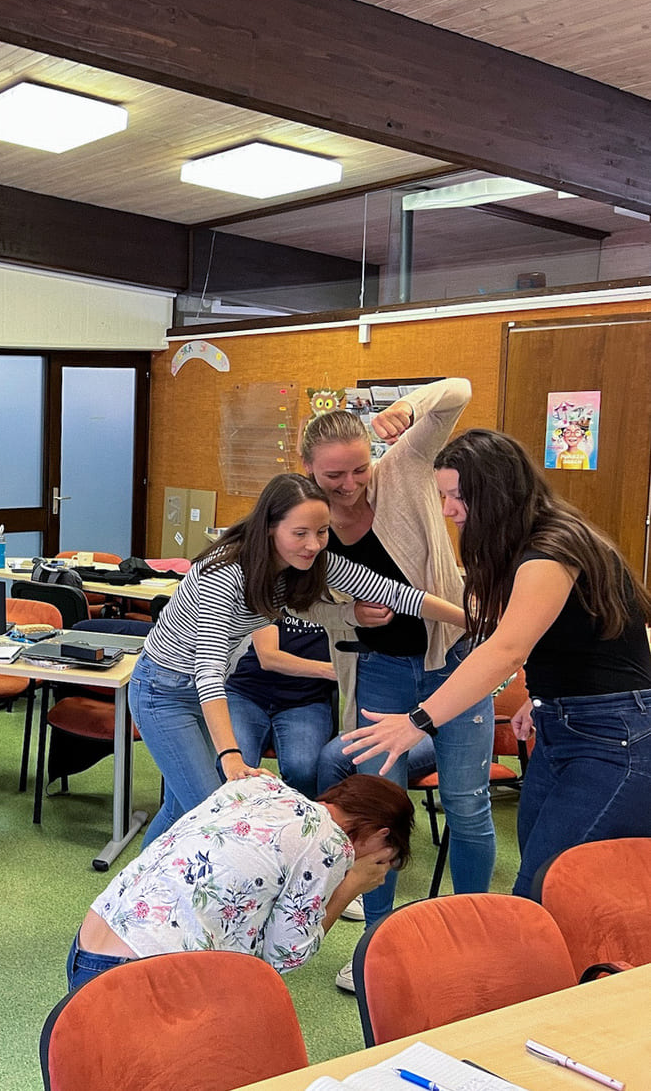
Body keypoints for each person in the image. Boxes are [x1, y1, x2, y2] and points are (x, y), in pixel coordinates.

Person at [345, 429, 651, 896]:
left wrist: (418, 721)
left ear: (496, 494)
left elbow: (505, 649)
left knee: (548, 885)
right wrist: (541, 695)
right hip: (568, 721)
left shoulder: (551, 550)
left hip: (614, 735)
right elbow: (577, 639)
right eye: (443, 495)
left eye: (458, 496)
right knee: (542, 863)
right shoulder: (527, 545)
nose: (448, 509)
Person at [133, 472, 465, 847]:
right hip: (163, 692)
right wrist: (231, 755)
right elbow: (207, 669)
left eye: (322, 531)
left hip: (205, 695)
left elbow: (395, 593)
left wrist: (470, 621)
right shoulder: (225, 571)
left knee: (182, 810)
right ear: (270, 528)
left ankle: (135, 901)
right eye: (300, 533)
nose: (313, 544)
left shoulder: (303, 563)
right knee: (208, 814)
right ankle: (140, 901)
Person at [300, 378, 495, 991]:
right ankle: (377, 948)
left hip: (455, 662)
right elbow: (305, 602)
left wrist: (408, 408)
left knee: (467, 806)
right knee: (380, 813)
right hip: (381, 669)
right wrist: (348, 615)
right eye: (334, 476)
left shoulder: (405, 466)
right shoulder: (309, 522)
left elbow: (459, 391)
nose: (350, 484)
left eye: (358, 469)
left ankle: (473, 938)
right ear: (307, 470)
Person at [67, 772, 412, 991]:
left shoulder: (259, 783)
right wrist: (350, 885)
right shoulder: (332, 843)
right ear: (380, 835)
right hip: (140, 972)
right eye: (384, 857)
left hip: (90, 942)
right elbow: (284, 957)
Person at [226, 613, 337, 798]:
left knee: (304, 770)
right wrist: (331, 670)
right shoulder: (273, 592)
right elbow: (268, 657)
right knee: (237, 766)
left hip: (307, 700)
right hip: (248, 694)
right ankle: (239, 823)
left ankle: (296, 819)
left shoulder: (342, 595)